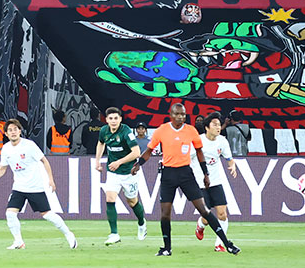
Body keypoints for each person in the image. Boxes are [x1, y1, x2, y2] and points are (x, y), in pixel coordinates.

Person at [131, 103, 239, 256]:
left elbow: (200, 153)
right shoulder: (162, 130)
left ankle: (227, 243)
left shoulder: (190, 130)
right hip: (168, 174)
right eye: (177, 114)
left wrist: (205, 174)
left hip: (186, 174)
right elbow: (149, 150)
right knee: (165, 213)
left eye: (183, 114)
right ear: (171, 115)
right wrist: (139, 164)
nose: (181, 117)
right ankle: (167, 248)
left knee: (204, 210)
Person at [0, 118, 78, 250]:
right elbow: (3, 167)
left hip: (34, 187)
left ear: (20, 131)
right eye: (10, 130)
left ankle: (69, 234)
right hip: (18, 188)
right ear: (6, 134)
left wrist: (51, 179)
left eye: (15, 129)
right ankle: (18, 242)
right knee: (10, 213)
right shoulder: (6, 149)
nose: (13, 132)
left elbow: (44, 161)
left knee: (47, 215)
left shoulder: (29, 145)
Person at [94, 107, 147, 244]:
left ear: (120, 119)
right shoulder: (104, 131)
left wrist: (119, 162)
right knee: (110, 198)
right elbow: (101, 143)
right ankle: (114, 234)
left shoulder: (126, 132)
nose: (113, 121)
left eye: (116, 118)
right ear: (106, 120)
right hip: (113, 173)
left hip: (129, 172)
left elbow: (136, 153)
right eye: (110, 118)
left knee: (132, 202)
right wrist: (98, 161)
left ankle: (142, 223)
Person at [192, 113, 238, 252]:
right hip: (200, 183)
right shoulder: (197, 142)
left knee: (222, 214)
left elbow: (229, 158)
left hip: (216, 182)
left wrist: (232, 165)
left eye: (219, 125)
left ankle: (219, 243)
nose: (218, 127)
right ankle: (200, 225)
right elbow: (186, 158)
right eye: (215, 125)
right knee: (206, 216)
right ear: (207, 127)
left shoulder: (222, 141)